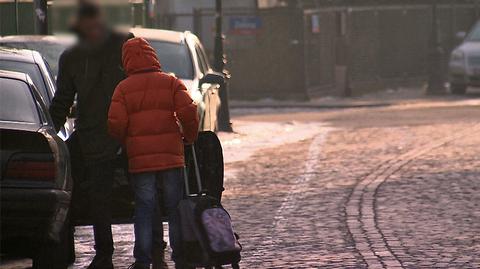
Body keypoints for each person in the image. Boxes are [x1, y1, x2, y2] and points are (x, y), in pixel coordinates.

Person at [48, 2, 133, 268]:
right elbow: (62, 102)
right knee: (93, 195)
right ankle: (101, 252)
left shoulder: (124, 44)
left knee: (143, 192)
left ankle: (149, 248)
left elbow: (144, 78)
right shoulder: (72, 57)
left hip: (127, 134)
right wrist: (49, 137)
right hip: (93, 136)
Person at [107, 37, 199, 269]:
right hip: (171, 155)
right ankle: (182, 254)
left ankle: (143, 259)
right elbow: (189, 112)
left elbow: (115, 124)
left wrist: (127, 140)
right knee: (175, 206)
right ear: (153, 55)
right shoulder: (170, 82)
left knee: (144, 207)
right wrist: (189, 137)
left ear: (126, 60)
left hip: (140, 159)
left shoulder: (123, 89)